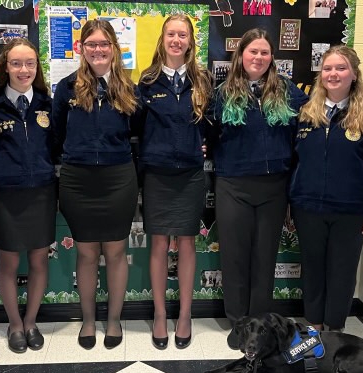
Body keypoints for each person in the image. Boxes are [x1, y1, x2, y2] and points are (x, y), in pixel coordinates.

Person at [210, 28, 308, 349]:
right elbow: (207, 134)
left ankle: (261, 324)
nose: (259, 57)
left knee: (265, 257)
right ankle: (239, 324)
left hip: (274, 188)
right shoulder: (223, 93)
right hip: (233, 185)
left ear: (272, 58)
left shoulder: (289, 93)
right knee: (235, 258)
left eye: (265, 52)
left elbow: (310, 124)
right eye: (253, 51)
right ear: (241, 55)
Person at [290, 45, 363, 332]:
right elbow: (293, 161)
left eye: (340, 68)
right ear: (320, 75)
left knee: (342, 272)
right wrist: (291, 200)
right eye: (327, 68)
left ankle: (334, 330)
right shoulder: (305, 115)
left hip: (352, 211)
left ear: (354, 74)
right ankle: (313, 327)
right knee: (312, 269)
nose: (333, 74)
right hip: (307, 208)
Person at [52, 19, 139, 350]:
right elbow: (57, 133)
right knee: (87, 253)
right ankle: (88, 320)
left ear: (114, 48)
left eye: (104, 44)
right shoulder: (66, 88)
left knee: (116, 251)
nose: (98, 50)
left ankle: (114, 319)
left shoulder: (128, 88)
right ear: (81, 48)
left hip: (118, 178)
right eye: (91, 44)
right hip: (78, 180)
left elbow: (138, 132)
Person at [138, 14, 213, 350]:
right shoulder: (148, 80)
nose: (177, 40)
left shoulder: (202, 78)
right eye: (171, 34)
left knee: (186, 243)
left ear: (190, 41)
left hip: (190, 174)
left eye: (183, 34)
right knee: (157, 244)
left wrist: (206, 140)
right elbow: (137, 126)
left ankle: (184, 314)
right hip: (157, 173)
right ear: (163, 39)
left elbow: (214, 123)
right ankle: (158, 313)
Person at [0, 38, 56, 353]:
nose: (24, 69)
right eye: (16, 63)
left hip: (41, 192)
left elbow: (57, 147)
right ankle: (14, 324)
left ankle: (31, 321)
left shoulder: (47, 103)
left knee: (39, 260)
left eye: (30, 63)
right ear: (6, 67)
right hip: (6, 195)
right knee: (9, 262)